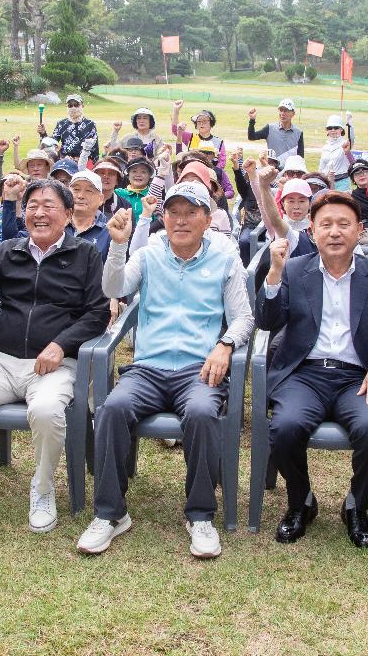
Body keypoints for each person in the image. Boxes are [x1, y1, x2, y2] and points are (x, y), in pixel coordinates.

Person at [79, 185, 253, 558]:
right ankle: (110, 514)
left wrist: (224, 344)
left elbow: (243, 318)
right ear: (164, 217)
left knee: (204, 413)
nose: (181, 220)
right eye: (174, 212)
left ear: (208, 219)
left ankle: (200, 515)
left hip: (198, 368)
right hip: (149, 368)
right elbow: (114, 286)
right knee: (111, 408)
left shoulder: (224, 258)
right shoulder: (149, 252)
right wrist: (117, 245)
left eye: (192, 212)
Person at [0, 179, 110, 533]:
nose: (39, 213)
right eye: (32, 205)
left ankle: (43, 489)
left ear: (68, 213)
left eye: (49, 205)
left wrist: (61, 345)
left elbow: (97, 313)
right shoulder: (7, 250)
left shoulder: (85, 254)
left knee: (46, 411)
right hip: (1, 362)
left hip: (55, 365)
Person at [256, 191, 368, 548]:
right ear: (312, 230)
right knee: (286, 426)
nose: (335, 232)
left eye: (344, 224)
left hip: (356, 376)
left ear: (360, 230)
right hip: (304, 374)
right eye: (326, 224)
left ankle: (356, 504)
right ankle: (301, 502)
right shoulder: (294, 270)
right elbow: (267, 320)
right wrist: (274, 275)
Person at [41, 93, 99, 160]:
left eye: (76, 105)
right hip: (65, 161)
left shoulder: (90, 124)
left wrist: (95, 164)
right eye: (70, 105)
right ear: (67, 107)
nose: (73, 108)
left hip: (84, 162)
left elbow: (95, 147)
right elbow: (51, 143)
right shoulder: (61, 124)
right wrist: (43, 134)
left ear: (82, 106)